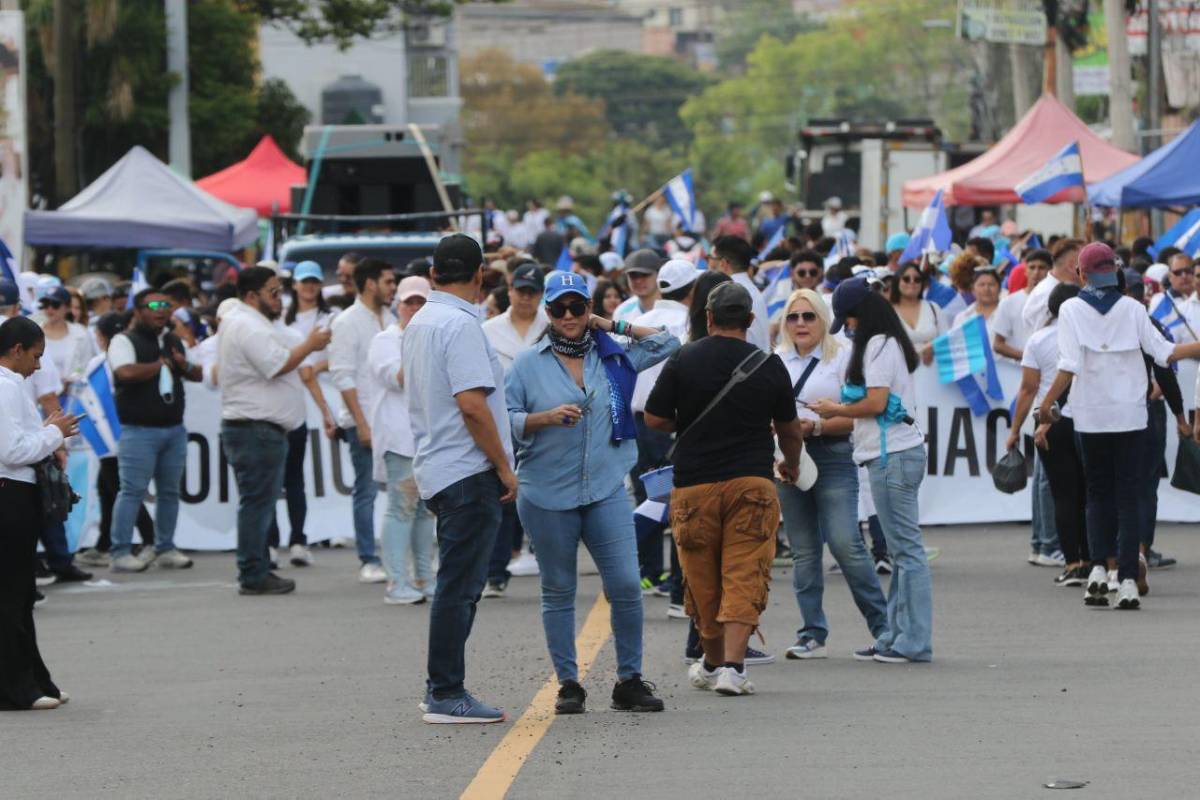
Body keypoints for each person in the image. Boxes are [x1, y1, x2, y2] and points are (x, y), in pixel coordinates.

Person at [506, 271, 678, 714]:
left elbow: (668, 342)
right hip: (546, 493)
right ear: (547, 312)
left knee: (626, 584)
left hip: (605, 488)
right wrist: (543, 419)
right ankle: (569, 684)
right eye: (559, 308)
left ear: (588, 309)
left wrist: (611, 324)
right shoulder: (527, 364)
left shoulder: (613, 355)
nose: (568, 316)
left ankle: (629, 681)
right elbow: (504, 418)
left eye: (577, 307)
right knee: (558, 589)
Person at [644, 282, 805, 696]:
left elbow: (654, 418)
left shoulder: (683, 358)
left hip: (694, 485)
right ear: (749, 320)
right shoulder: (768, 365)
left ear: (709, 317)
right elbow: (790, 430)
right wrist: (791, 464)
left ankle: (714, 660)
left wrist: (687, 420)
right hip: (752, 482)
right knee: (744, 572)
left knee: (701, 580)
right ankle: (731, 666)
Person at [1038, 243, 1200, 610]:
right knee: (1129, 497)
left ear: (1081, 274)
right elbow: (1165, 353)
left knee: (1097, 494)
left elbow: (1068, 365)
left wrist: (1046, 406)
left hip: (1090, 416)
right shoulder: (1134, 309)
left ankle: (1098, 569)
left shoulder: (1070, 309)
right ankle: (1126, 580)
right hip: (1130, 417)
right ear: (1114, 273)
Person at [404, 233, 517, 724]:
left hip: (439, 465)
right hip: (467, 469)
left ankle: (442, 688)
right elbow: (472, 404)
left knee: (457, 584)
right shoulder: (461, 324)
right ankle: (445, 692)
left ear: (433, 274)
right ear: (479, 275)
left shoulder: (421, 320)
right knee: (460, 587)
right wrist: (503, 466)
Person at [810, 277, 931, 663]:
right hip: (894, 452)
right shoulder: (887, 341)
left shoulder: (878, 344)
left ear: (858, 314)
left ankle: (913, 641)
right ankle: (896, 635)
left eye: (848, 319)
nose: (847, 327)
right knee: (902, 551)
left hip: (890, 455)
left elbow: (876, 403)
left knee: (906, 552)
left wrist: (836, 409)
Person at [774, 289, 888, 660]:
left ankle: (885, 629)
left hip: (834, 455)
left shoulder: (843, 356)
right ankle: (812, 633)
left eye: (809, 316)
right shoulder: (776, 359)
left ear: (823, 319)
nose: (801, 323)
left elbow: (859, 413)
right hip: (788, 457)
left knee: (845, 543)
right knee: (804, 551)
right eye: (793, 317)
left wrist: (818, 426)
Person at [217, 267, 331, 595]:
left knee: (259, 503)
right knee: (257, 504)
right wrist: (310, 344)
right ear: (252, 295)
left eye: (280, 291)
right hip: (255, 429)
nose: (279, 298)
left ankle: (257, 568)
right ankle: (253, 573)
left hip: (259, 428)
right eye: (273, 292)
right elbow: (277, 365)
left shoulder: (253, 323)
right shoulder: (246, 325)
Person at [0, 316, 78, 710]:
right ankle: (15, 688)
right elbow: (11, 451)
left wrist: (47, 431)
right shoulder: (4, 387)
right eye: (36, 356)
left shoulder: (11, 386)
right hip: (9, 494)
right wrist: (54, 434)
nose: (39, 365)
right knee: (12, 595)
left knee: (21, 594)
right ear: (17, 350)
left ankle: (35, 680)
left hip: (16, 493)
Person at [107, 289, 202, 573]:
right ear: (138, 311)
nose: (162, 310)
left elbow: (197, 374)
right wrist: (159, 365)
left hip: (173, 429)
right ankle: (120, 552)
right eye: (154, 305)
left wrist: (184, 365)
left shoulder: (173, 340)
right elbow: (124, 372)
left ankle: (165, 548)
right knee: (132, 492)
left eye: (166, 305)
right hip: (139, 430)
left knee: (169, 492)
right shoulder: (123, 340)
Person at [1007, 284, 1089, 586]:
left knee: (1063, 494)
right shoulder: (1088, 336)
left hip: (1049, 420)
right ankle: (1092, 560)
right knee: (1089, 493)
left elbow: (1028, 390)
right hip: (1088, 420)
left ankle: (1072, 563)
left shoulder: (1038, 340)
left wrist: (1015, 430)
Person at [365, 276, 437, 606]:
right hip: (399, 439)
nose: (415, 308)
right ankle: (396, 582)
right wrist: (423, 343)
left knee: (425, 511)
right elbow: (398, 378)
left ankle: (424, 577)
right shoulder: (385, 340)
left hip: (428, 438)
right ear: (398, 305)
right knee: (401, 508)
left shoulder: (432, 337)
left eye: (421, 302)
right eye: (409, 302)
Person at [628, 260, 699, 596]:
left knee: (649, 497)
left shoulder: (638, 322)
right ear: (692, 289)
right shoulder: (690, 325)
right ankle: (677, 584)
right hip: (674, 424)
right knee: (678, 504)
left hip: (639, 421)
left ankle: (649, 573)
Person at [480, 262, 549, 596]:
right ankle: (495, 572)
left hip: (547, 419)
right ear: (509, 291)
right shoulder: (488, 330)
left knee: (547, 496)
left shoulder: (553, 325)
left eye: (532, 292)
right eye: (520, 291)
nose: (525, 297)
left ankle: (549, 565)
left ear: (541, 295)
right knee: (504, 495)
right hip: (503, 421)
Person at [329, 258, 397, 583]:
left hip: (394, 422)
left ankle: (399, 559)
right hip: (364, 422)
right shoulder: (346, 322)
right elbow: (341, 375)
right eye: (388, 281)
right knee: (366, 491)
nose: (393, 287)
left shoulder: (392, 318)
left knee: (402, 492)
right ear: (370, 284)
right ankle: (368, 559)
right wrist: (361, 423)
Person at [266, 261, 338, 566]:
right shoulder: (280, 324)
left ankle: (296, 540)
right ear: (293, 286)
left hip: (298, 408)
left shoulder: (326, 319)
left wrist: (325, 410)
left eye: (313, 281)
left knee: (292, 477)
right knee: (274, 479)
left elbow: (316, 369)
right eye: (303, 281)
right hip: (278, 408)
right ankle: (272, 542)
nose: (309, 287)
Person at [75, 312, 156, 569]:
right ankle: (104, 544)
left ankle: (151, 540)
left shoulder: (101, 362)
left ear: (100, 336)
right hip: (128, 432)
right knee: (107, 489)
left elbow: (91, 398)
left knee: (123, 490)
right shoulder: (130, 357)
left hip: (112, 439)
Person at [710, 235, 771, 352]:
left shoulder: (730, 293)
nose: (711, 264)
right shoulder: (750, 289)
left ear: (723, 263)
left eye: (713, 259)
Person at [1023, 238, 1082, 333]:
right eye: (1086, 262)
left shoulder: (1060, 289)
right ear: (1072, 266)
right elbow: (1046, 337)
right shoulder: (1047, 294)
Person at [37, 286, 94, 385]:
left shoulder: (81, 333)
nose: (50, 309)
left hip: (73, 392)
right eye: (46, 304)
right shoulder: (34, 333)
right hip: (42, 392)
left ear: (67, 308)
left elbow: (86, 366)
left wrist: (73, 378)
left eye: (55, 304)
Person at [889, 262, 943, 366]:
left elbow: (947, 339)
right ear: (897, 281)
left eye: (917, 279)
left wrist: (933, 347)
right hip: (901, 371)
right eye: (906, 279)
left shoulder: (933, 308)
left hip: (933, 370)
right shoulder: (888, 311)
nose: (912, 282)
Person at [612, 250, 664, 325]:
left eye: (645, 274)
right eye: (633, 275)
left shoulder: (674, 308)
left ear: (659, 274)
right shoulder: (622, 312)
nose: (638, 281)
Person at [952, 266, 1003, 339]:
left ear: (1000, 288)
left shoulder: (1009, 314)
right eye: (981, 285)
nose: (986, 289)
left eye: (991, 284)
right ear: (972, 289)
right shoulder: (962, 318)